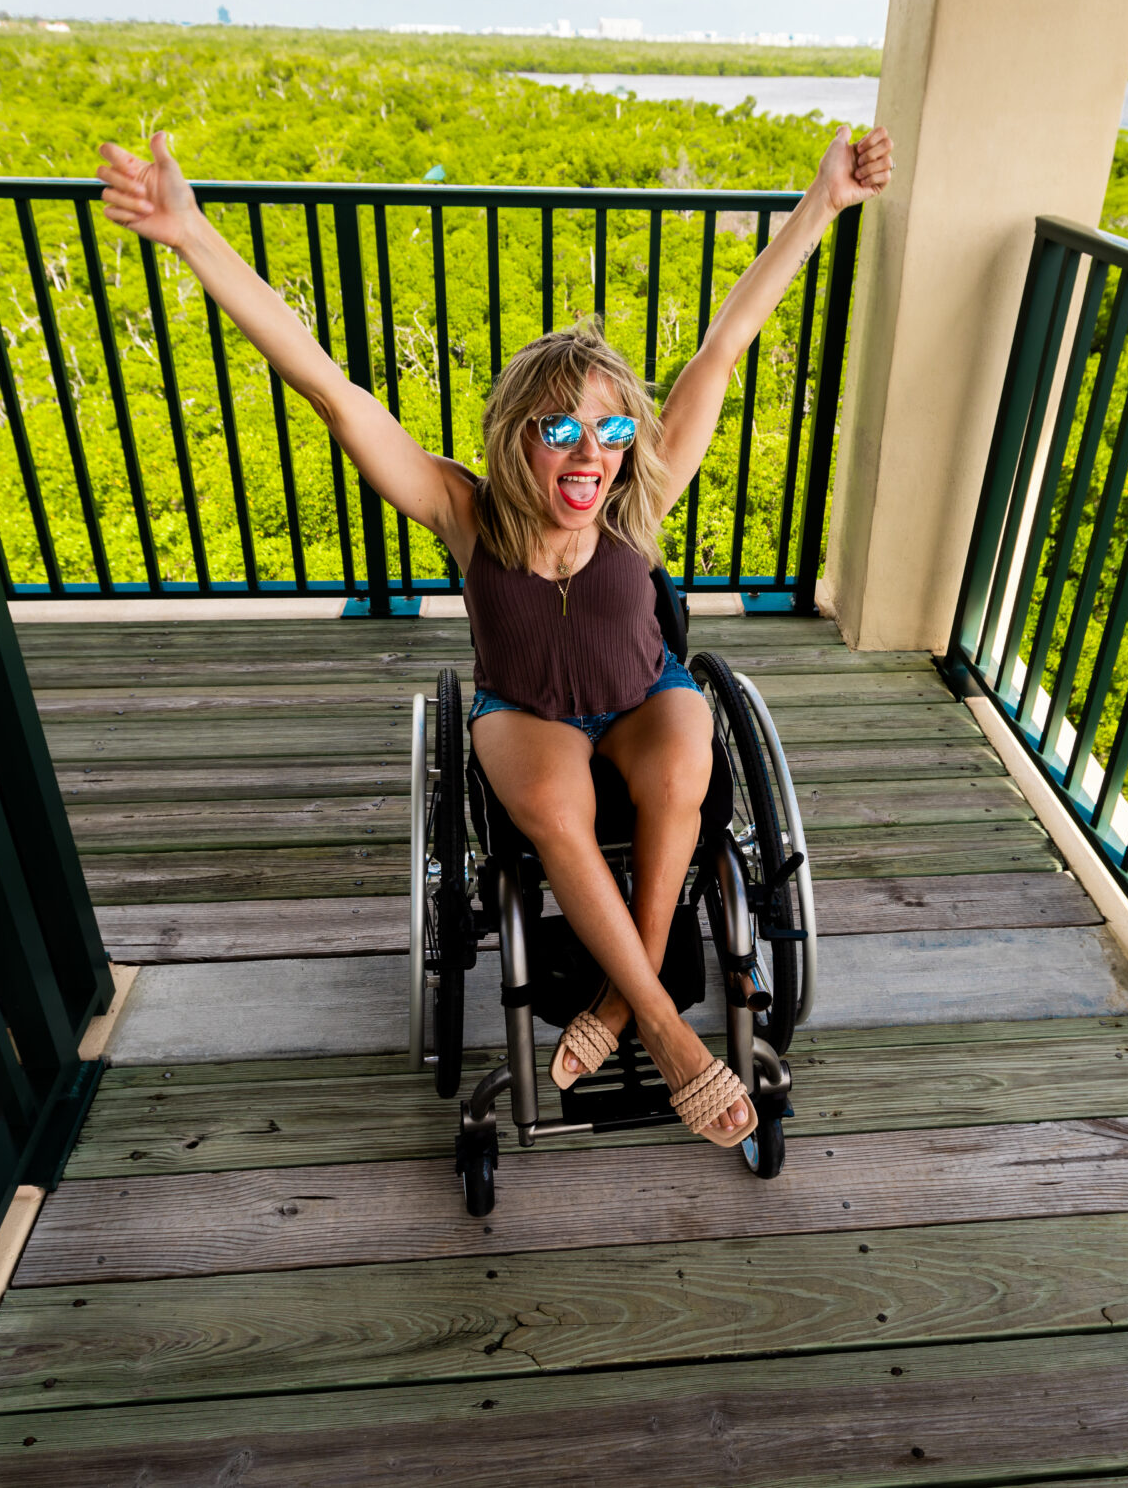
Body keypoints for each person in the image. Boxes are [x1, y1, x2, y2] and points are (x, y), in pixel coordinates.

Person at [97, 123, 892, 1146]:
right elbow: (332, 394)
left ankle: (618, 1003)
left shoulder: (633, 509)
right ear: (519, 433)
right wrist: (190, 234)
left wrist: (823, 201)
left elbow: (724, 343)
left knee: (683, 770)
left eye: (608, 430)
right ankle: (666, 1026)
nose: (590, 452)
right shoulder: (466, 514)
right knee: (555, 812)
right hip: (527, 712)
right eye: (560, 428)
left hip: (645, 696)